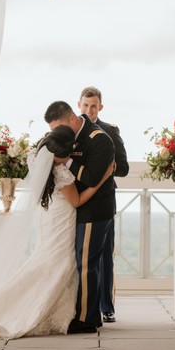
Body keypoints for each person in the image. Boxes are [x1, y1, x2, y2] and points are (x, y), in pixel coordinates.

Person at [0, 125, 114, 339]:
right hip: (61, 220)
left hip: (49, 216)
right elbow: (77, 200)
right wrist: (103, 177)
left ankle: (47, 305)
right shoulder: (61, 172)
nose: (71, 155)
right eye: (69, 152)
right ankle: (43, 308)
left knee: (46, 261)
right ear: (60, 155)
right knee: (59, 263)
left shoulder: (36, 158)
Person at [45, 101, 116, 333]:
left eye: (59, 129)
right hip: (75, 207)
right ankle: (89, 314)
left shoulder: (99, 139)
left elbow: (92, 177)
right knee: (83, 263)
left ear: (73, 118)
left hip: (94, 210)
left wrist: (66, 160)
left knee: (86, 264)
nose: (58, 134)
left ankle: (86, 319)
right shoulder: (67, 136)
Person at [77, 86, 129, 323]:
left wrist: (104, 170)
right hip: (76, 201)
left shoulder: (110, 131)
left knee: (105, 255)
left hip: (103, 202)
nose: (89, 110)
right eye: (86, 105)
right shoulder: (72, 131)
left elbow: (124, 167)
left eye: (94, 106)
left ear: (101, 107)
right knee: (81, 257)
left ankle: (106, 306)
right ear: (79, 105)